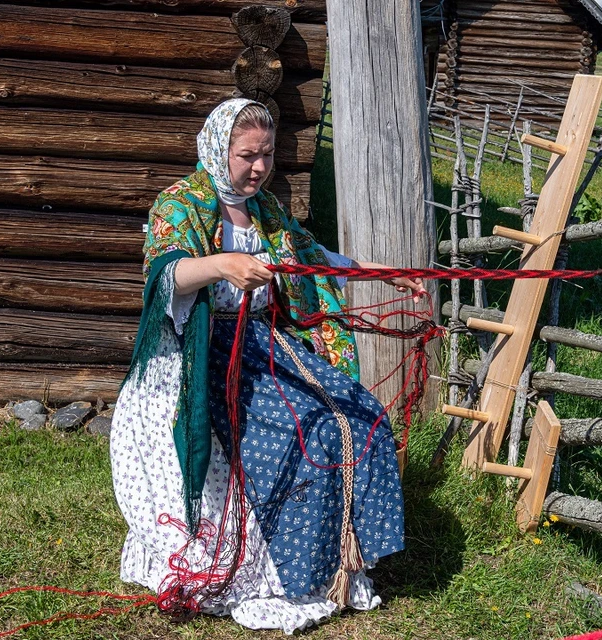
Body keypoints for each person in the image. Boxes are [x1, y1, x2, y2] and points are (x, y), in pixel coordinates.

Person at [110, 98, 425, 634]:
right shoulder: (180, 205)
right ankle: (292, 574)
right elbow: (164, 278)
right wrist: (219, 266)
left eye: (267, 155)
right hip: (204, 351)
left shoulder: (267, 213)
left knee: (362, 414)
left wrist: (383, 272)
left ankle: (348, 562)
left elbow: (311, 257)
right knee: (306, 434)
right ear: (217, 150)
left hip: (264, 344)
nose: (259, 168)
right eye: (246, 156)